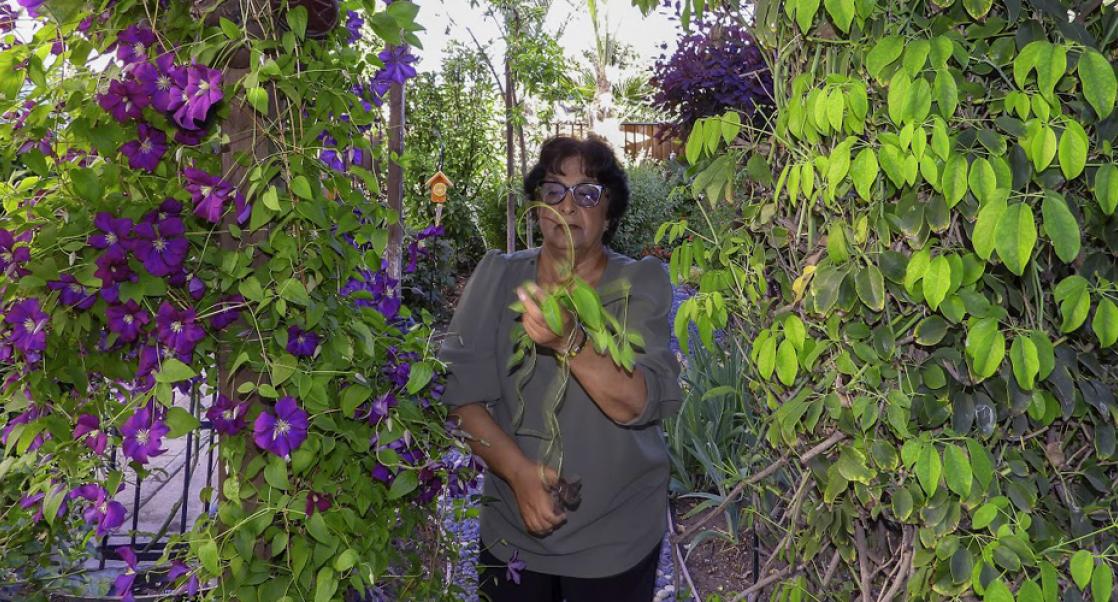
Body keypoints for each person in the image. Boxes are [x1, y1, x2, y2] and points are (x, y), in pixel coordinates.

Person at [438, 135, 683, 601]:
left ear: (609, 214)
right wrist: (519, 473)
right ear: (538, 206)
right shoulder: (498, 277)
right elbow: (459, 395)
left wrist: (570, 341)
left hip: (616, 536)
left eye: (588, 193)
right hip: (513, 533)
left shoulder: (639, 283)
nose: (568, 205)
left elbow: (639, 402)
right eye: (554, 190)